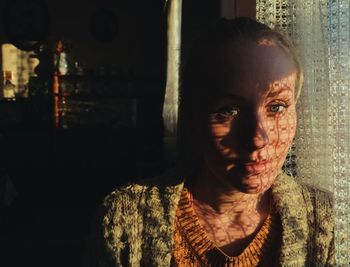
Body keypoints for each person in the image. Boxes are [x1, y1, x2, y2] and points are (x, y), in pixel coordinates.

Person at [85, 17, 334, 266]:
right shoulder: (126, 222)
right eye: (229, 111)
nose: (258, 138)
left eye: (277, 107)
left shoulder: (326, 223)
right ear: (194, 116)